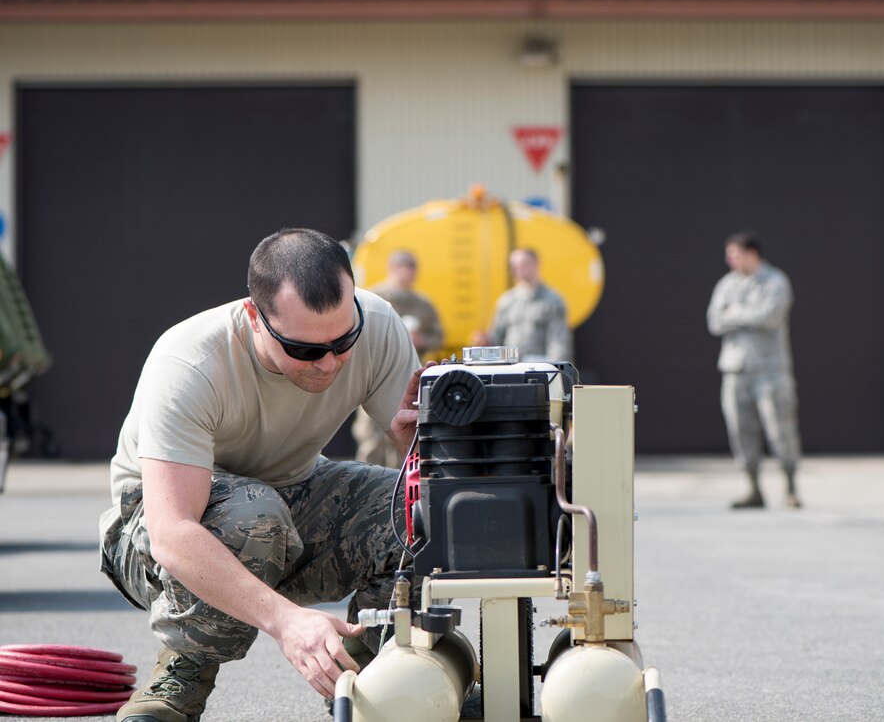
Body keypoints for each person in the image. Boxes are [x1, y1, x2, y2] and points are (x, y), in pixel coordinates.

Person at [98, 228, 424, 722]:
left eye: (343, 341)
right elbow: (172, 532)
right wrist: (287, 622)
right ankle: (183, 675)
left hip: (288, 495)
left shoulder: (377, 322)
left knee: (420, 512)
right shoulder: (190, 360)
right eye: (306, 350)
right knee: (254, 515)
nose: (330, 362)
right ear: (255, 317)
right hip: (152, 532)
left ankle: (372, 677)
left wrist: (416, 443)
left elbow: (418, 462)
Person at [706, 230, 802, 509]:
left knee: (780, 430)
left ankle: (791, 487)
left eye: (735, 255)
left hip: (771, 369)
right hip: (735, 369)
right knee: (740, 430)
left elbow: (769, 317)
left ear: (752, 254)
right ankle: (753, 488)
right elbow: (714, 321)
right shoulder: (727, 285)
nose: (730, 261)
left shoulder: (775, 282)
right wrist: (742, 316)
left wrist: (734, 314)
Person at [352, 250, 444, 467]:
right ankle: (363, 479)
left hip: (406, 373)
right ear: (393, 269)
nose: (409, 276)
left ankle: (397, 481)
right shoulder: (375, 298)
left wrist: (423, 340)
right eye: (405, 270)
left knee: (402, 433)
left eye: (412, 271)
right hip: (373, 372)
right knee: (371, 436)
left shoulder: (423, 304)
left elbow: (438, 336)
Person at [476, 247, 572, 362]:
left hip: (539, 368)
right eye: (514, 266)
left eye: (523, 264)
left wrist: (554, 371)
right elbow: (496, 337)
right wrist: (485, 341)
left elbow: (558, 343)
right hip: (511, 368)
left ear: (536, 264)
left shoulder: (552, 301)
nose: (518, 269)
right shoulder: (506, 301)